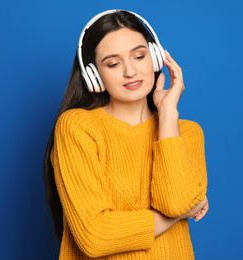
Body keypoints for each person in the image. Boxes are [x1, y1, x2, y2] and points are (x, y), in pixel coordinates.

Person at [43, 9, 208, 260]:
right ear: (93, 75)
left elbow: (174, 201)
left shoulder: (187, 132)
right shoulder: (77, 126)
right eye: (113, 63)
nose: (130, 71)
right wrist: (180, 213)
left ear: (155, 58)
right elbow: (95, 236)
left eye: (139, 56)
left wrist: (167, 115)